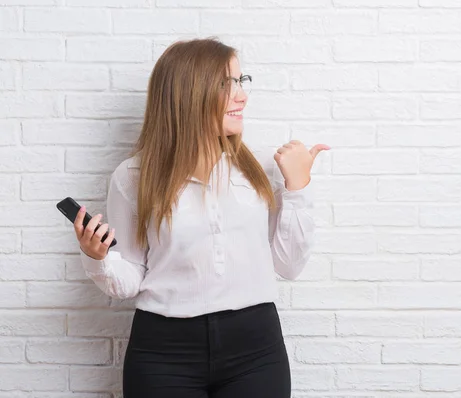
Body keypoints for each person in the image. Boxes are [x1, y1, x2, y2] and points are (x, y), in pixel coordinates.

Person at [73, 38, 329, 398]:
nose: (242, 95)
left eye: (242, 81)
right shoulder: (132, 177)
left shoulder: (256, 171)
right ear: (188, 94)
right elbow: (130, 279)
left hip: (256, 348)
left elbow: (288, 265)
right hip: (163, 352)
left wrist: (298, 187)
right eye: (227, 84)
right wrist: (97, 258)